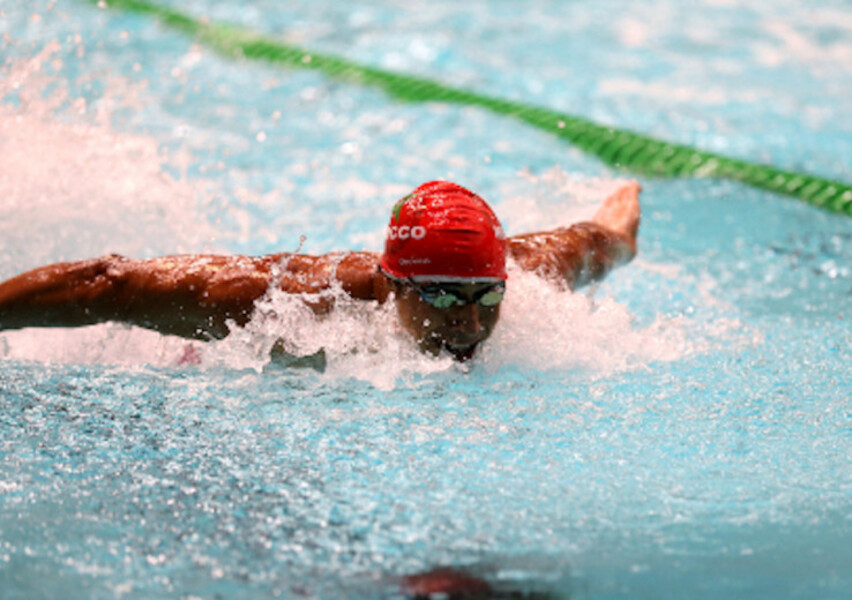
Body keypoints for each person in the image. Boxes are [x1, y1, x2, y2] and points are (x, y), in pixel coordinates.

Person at [0, 180, 641, 361]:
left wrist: (618, 221)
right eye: (444, 299)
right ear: (392, 285)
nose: (472, 322)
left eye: (484, 296)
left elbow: (596, 243)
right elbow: (110, 283)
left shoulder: (520, 273)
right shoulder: (293, 302)